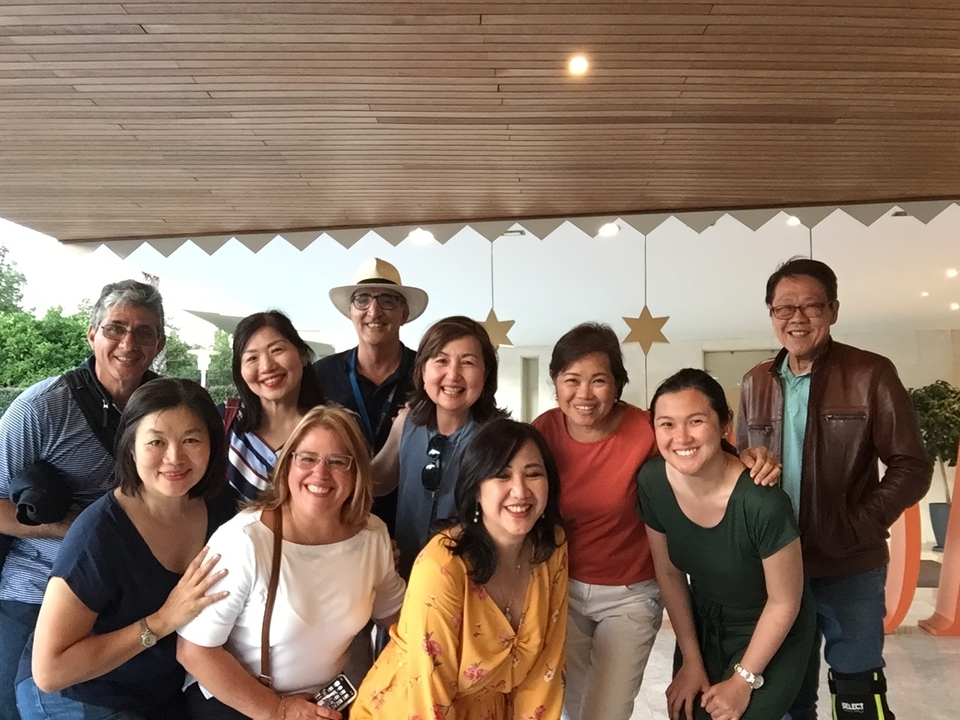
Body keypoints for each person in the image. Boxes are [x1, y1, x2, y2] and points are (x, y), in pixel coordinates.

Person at [531, 323, 780, 720]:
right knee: (570, 709)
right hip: (563, 589)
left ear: (618, 384)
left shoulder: (645, 429)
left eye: (598, 380)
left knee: (605, 712)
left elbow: (704, 451)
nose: (584, 394)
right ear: (555, 383)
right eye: (571, 380)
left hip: (630, 595)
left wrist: (753, 456)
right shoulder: (542, 431)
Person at [736, 257, 932, 720]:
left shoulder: (871, 373)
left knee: (857, 687)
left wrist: (858, 523)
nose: (797, 318)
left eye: (811, 306)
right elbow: (739, 461)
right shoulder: (754, 381)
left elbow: (912, 466)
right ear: (771, 314)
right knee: (785, 691)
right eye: (784, 308)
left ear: (834, 310)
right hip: (778, 565)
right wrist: (748, 462)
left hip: (850, 565)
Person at [15, 378, 234, 720]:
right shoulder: (99, 534)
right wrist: (161, 621)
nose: (174, 457)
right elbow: (50, 671)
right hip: (79, 693)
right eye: (156, 442)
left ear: (213, 444)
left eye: (191, 439)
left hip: (162, 690)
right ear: (131, 447)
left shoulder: (222, 511)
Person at [0, 280, 166, 720]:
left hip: (127, 595)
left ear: (159, 344)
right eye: (116, 328)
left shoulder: (165, 408)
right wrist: (71, 526)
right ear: (92, 334)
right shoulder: (41, 408)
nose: (128, 343)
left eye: (144, 332)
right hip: (35, 590)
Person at [177, 405, 406, 720]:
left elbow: (396, 616)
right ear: (287, 466)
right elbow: (193, 652)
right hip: (243, 703)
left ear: (356, 474)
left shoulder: (372, 535)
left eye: (338, 461)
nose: (320, 474)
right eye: (307, 458)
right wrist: (277, 709)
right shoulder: (244, 540)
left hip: (325, 703)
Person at [352, 418, 568, 720]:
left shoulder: (551, 547)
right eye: (501, 475)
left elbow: (546, 670)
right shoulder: (442, 565)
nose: (520, 490)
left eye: (533, 474)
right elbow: (429, 697)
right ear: (476, 488)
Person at [638, 368, 815, 720]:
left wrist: (744, 680)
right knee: (688, 711)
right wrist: (691, 660)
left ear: (723, 426)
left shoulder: (762, 501)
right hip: (705, 625)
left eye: (696, 421)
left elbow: (784, 602)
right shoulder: (653, 482)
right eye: (667, 424)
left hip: (770, 629)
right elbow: (669, 575)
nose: (681, 437)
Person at [373, 316, 506, 579]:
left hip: (468, 580)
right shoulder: (406, 423)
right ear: (423, 371)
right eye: (441, 360)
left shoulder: (498, 438)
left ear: (486, 374)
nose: (453, 374)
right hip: (406, 577)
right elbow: (377, 480)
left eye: (468, 362)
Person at [314, 257, 428, 533]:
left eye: (387, 300)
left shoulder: (428, 374)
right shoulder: (320, 376)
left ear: (404, 313)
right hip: (338, 522)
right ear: (350, 312)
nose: (374, 311)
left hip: (413, 521)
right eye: (362, 300)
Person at [224, 311, 326, 501]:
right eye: (252, 358)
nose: (267, 366)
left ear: (302, 355)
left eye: (277, 350)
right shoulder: (224, 422)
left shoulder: (337, 425)